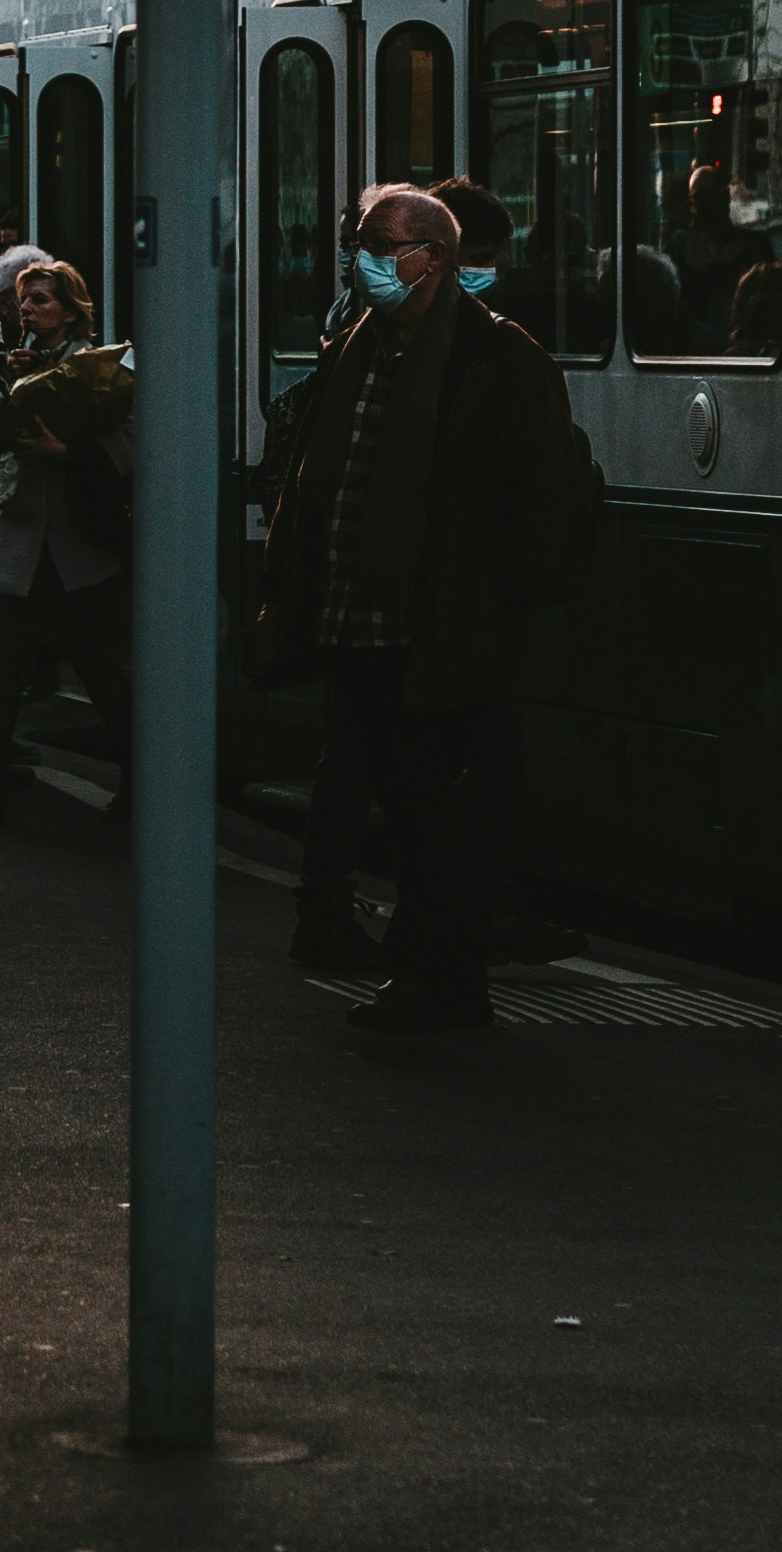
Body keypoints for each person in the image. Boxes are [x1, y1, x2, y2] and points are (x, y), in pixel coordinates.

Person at [253, 167, 600, 1034]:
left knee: (436, 810)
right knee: (409, 809)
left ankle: (431, 978)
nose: (361, 265)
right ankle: (444, 980)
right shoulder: (359, 347)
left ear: (435, 260)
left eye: (379, 251)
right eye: (358, 250)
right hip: (355, 620)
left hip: (440, 627)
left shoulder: (496, 355)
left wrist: (494, 600)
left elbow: (546, 498)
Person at [0, 245, 135, 825]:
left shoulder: (102, 367)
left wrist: (66, 451)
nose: (29, 310)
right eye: (22, 302)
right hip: (17, 541)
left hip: (76, 546)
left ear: (70, 310)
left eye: (41, 300)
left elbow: (131, 440)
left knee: (99, 668)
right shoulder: (10, 363)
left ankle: (138, 786)